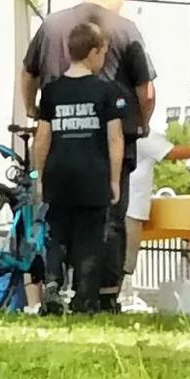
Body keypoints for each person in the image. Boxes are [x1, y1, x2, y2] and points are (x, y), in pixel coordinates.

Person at [21, 0, 156, 309]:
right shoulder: (124, 30)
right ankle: (100, 295)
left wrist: (33, 111)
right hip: (104, 154)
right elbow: (146, 90)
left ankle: (54, 284)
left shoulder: (51, 26)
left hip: (58, 156)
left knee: (58, 226)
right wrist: (142, 124)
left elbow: (28, 73)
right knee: (104, 226)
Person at [33, 22, 125, 314]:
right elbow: (115, 137)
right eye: (103, 53)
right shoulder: (106, 91)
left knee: (56, 233)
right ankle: (84, 298)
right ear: (93, 52)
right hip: (93, 174)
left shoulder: (51, 91)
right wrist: (114, 179)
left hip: (58, 173)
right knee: (89, 240)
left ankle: (52, 282)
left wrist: (39, 174)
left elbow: (43, 138)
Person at [119, 132, 190, 309]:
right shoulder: (144, 137)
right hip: (131, 208)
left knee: (120, 258)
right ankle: (118, 298)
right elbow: (174, 152)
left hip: (124, 205)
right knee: (125, 261)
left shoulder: (123, 131)